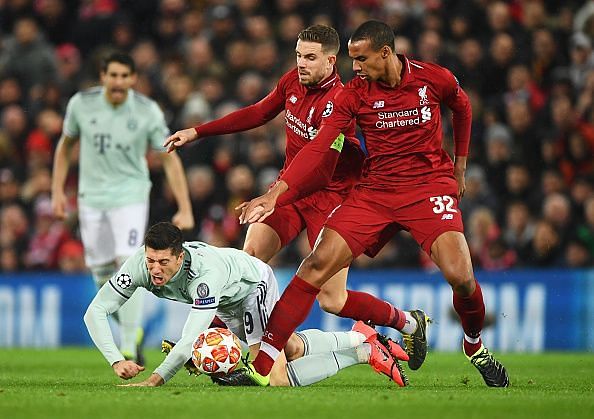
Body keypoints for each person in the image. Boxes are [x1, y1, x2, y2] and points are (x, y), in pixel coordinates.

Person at [235, 20, 510, 387]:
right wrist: (274, 193)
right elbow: (318, 148)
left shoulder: (433, 78)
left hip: (427, 188)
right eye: (352, 59)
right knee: (314, 266)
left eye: (361, 59)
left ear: (385, 53)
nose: (356, 68)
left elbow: (463, 107)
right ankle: (264, 365)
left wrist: (460, 166)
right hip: (376, 191)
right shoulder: (354, 94)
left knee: (461, 278)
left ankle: (474, 346)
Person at [164, 24, 428, 370]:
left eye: (310, 58)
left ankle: (407, 322)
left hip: (330, 201)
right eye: (299, 55)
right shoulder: (293, 81)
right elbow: (258, 112)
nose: (301, 63)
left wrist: (275, 194)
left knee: (332, 300)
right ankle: (210, 340)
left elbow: (319, 169)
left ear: (332, 61)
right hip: (288, 194)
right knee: (248, 265)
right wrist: (198, 131)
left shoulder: (341, 103)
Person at [83, 221, 409, 387]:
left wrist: (156, 379)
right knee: (291, 347)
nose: (155, 269)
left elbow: (191, 338)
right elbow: (95, 311)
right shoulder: (139, 266)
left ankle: (364, 352)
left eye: (163, 262)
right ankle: (361, 336)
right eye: (150, 260)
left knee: (272, 377)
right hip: (229, 300)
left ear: (180, 257)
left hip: (252, 286)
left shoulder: (203, 275)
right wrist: (115, 360)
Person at [51, 52, 195, 364]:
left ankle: (129, 345)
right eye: (112, 76)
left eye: (124, 76)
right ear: (103, 76)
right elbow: (65, 147)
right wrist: (57, 191)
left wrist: (184, 206)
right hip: (91, 198)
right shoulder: (81, 104)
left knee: (125, 262)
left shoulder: (146, 111)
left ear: (133, 79)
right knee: (103, 275)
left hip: (130, 196)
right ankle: (135, 329)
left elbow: (169, 157)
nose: (118, 82)